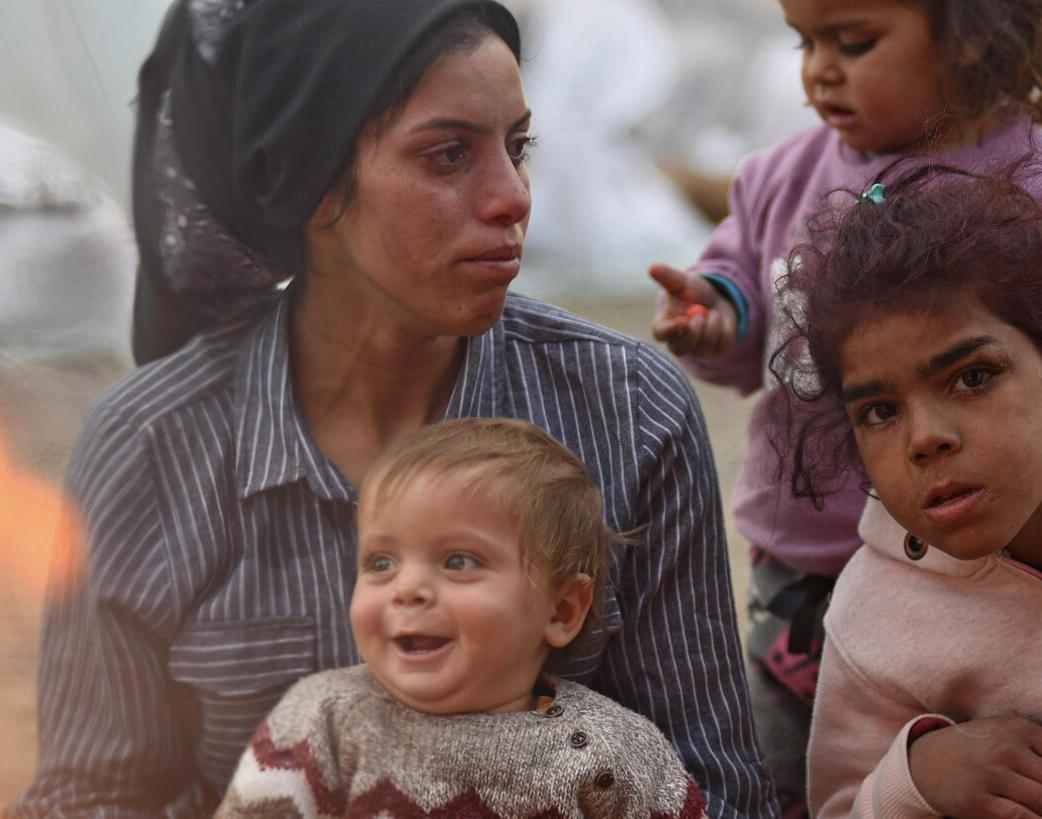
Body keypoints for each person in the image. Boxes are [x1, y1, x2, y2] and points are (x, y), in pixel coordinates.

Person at [9, 1, 777, 816]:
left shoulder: (628, 412)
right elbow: (94, 794)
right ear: (307, 182)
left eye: (518, 148)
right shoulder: (150, 447)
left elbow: (716, 783)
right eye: (448, 154)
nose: (513, 196)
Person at [647, 1, 1042, 813]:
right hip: (801, 562)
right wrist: (716, 317)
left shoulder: (1027, 172)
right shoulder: (778, 178)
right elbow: (746, 295)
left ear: (973, 37)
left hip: (983, 561)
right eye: (805, 41)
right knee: (791, 753)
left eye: (853, 42)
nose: (819, 69)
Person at [215, 417, 709, 818]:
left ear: (560, 610)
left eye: (459, 561)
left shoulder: (616, 753)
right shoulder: (320, 722)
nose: (407, 589)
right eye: (381, 562)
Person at [774, 173, 1042, 818]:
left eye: (973, 377)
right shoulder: (877, 621)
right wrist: (915, 780)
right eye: (880, 412)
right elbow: (841, 807)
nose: (925, 439)